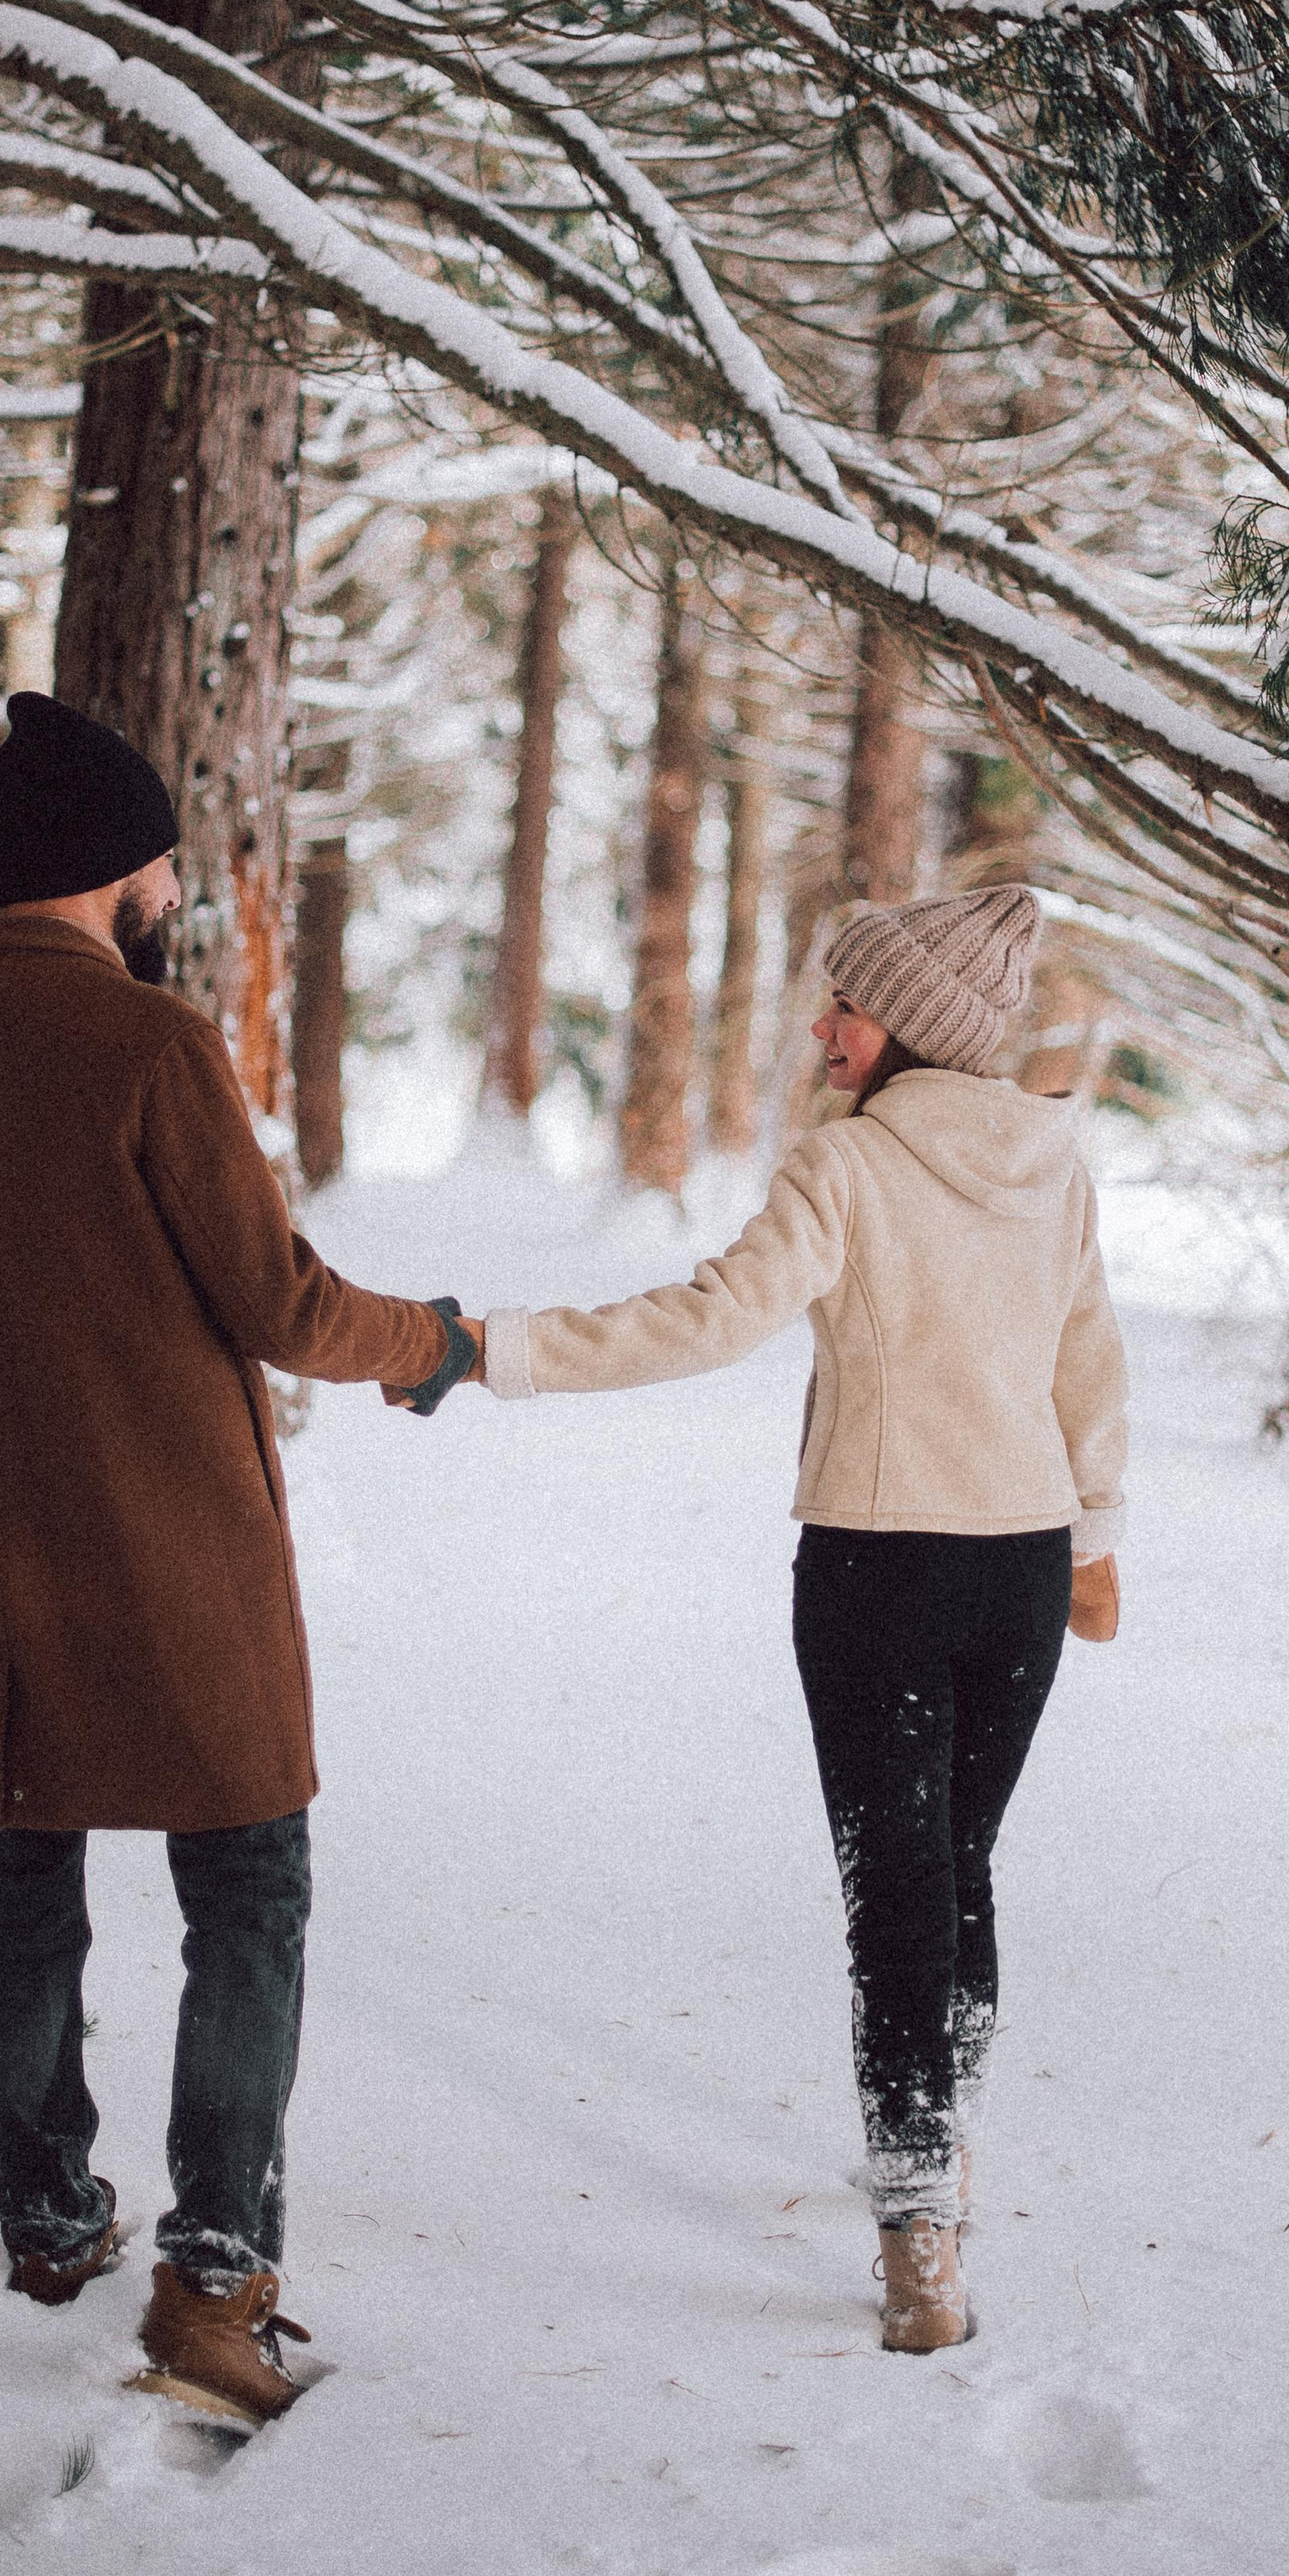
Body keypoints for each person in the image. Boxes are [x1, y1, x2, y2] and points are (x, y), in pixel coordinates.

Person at [0, 691, 475, 2431]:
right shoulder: (150, 1051)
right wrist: (429, 1343)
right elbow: (280, 1302)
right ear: (114, 868)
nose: (178, 884)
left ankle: (44, 2216)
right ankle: (212, 2274)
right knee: (245, 1892)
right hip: (184, 1563)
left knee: (21, 1875)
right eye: (167, 858)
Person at [463, 885, 1126, 2354]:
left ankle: (916, 2236)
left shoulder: (849, 1169)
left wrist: (495, 1351)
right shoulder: (1055, 1167)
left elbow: (706, 1318)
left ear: (917, 1029)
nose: (825, 1027)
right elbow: (1090, 1361)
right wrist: (1097, 1543)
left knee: (893, 1892)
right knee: (957, 1872)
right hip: (1018, 1566)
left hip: (880, 1569)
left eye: (850, 1003)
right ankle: (939, 2156)